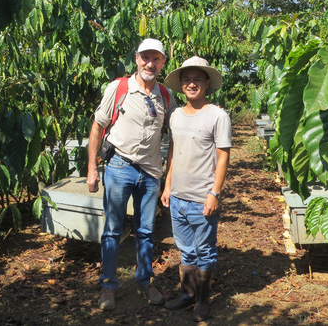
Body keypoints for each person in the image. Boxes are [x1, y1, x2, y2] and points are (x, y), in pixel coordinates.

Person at [87, 38, 177, 311]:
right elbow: (97, 127)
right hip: (119, 168)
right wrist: (92, 168)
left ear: (163, 63)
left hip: (150, 173)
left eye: (156, 59)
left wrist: (168, 179)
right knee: (113, 231)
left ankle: (145, 281)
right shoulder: (119, 88)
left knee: (146, 232)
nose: (150, 63)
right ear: (137, 58)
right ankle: (108, 286)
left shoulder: (165, 95)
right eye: (145, 58)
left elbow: (177, 134)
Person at [160, 56, 232, 322]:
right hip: (177, 197)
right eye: (187, 79)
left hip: (202, 199)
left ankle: (202, 300)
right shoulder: (175, 115)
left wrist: (214, 193)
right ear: (181, 84)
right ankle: (187, 294)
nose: (192, 84)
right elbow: (172, 152)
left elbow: (223, 156)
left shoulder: (217, 116)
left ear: (207, 83)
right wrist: (167, 186)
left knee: (205, 251)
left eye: (197, 79)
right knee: (186, 250)